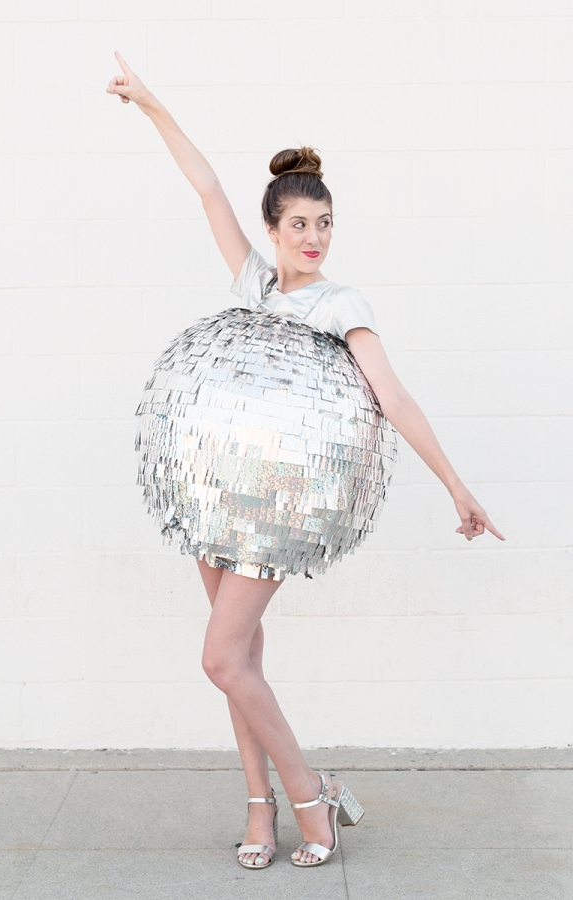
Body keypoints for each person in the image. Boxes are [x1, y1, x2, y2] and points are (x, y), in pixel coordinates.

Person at [107, 51, 505, 871]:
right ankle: (259, 813)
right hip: (215, 492)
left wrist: (457, 486)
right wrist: (150, 101)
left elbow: (393, 399)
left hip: (279, 510)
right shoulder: (253, 286)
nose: (316, 239)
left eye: (325, 225)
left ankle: (307, 790)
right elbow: (209, 188)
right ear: (275, 229)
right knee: (241, 661)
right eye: (300, 225)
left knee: (219, 656)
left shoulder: (342, 304)